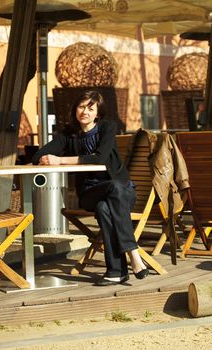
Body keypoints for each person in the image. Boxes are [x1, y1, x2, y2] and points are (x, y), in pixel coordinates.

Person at [32, 90, 149, 286]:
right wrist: (46, 159)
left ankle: (116, 271)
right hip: (89, 193)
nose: (84, 111)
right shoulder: (68, 135)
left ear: (98, 113)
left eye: (90, 108)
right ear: (75, 110)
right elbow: (38, 156)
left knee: (105, 207)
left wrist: (60, 160)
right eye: (81, 107)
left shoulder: (107, 128)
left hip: (123, 193)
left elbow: (100, 158)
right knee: (110, 192)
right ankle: (133, 253)